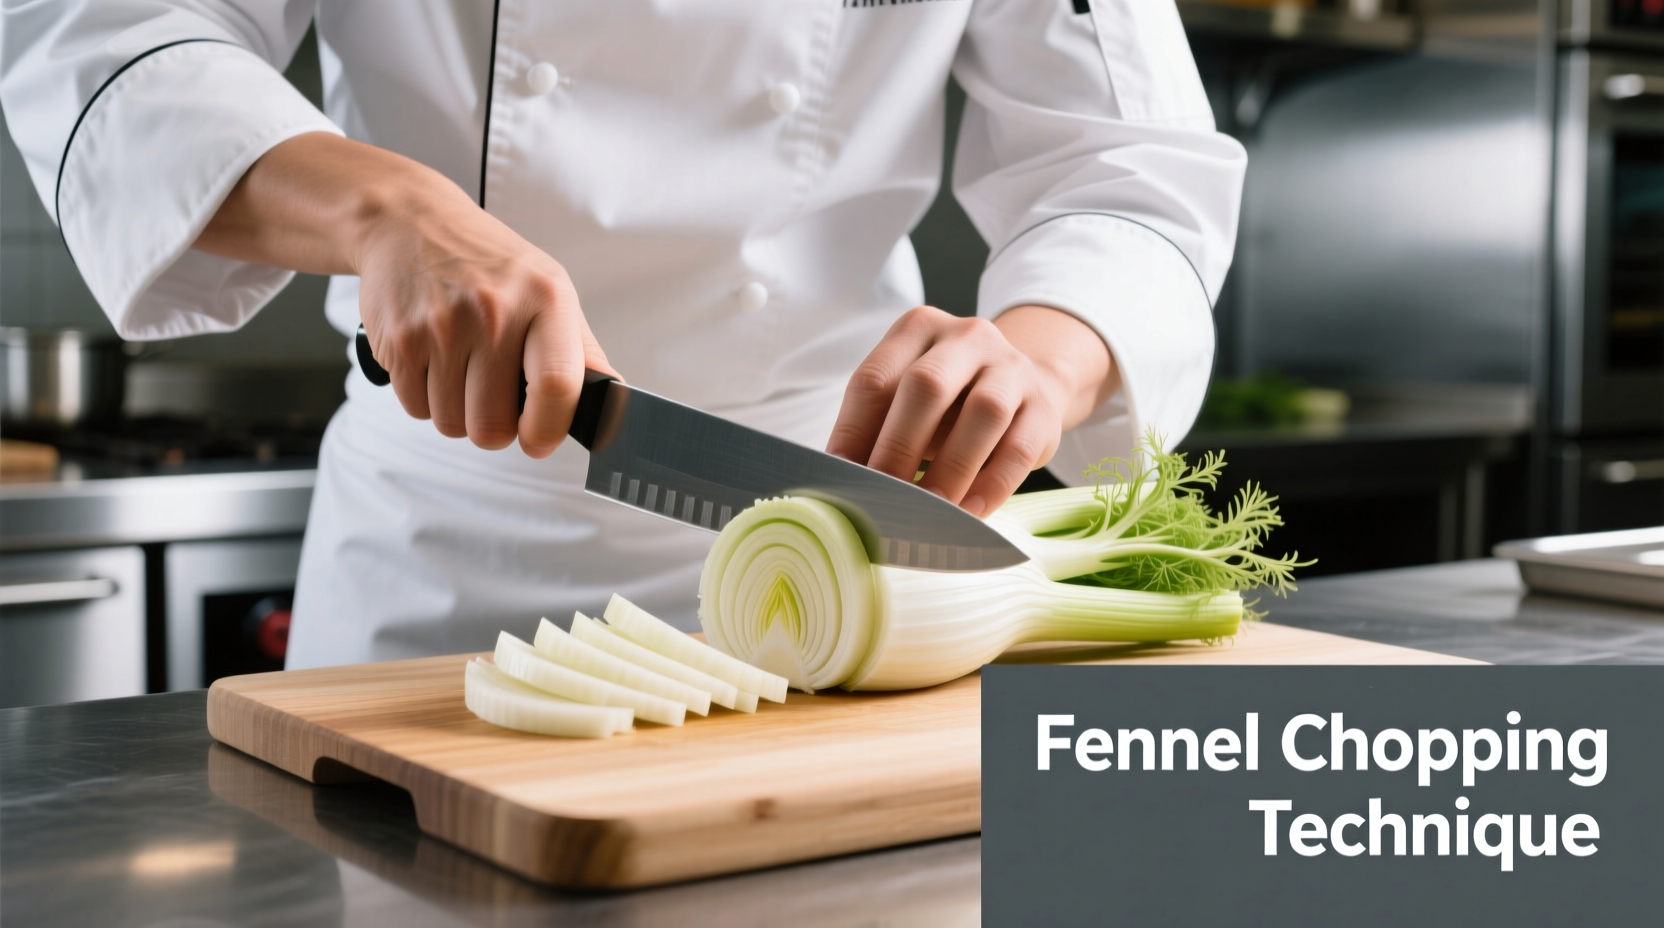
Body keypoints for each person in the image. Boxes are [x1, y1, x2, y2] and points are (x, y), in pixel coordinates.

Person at [0, 1, 1246, 668]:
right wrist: (390, 209)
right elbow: (103, 30)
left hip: (842, 546)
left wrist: (1038, 348)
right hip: (439, 557)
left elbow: (1125, 163)